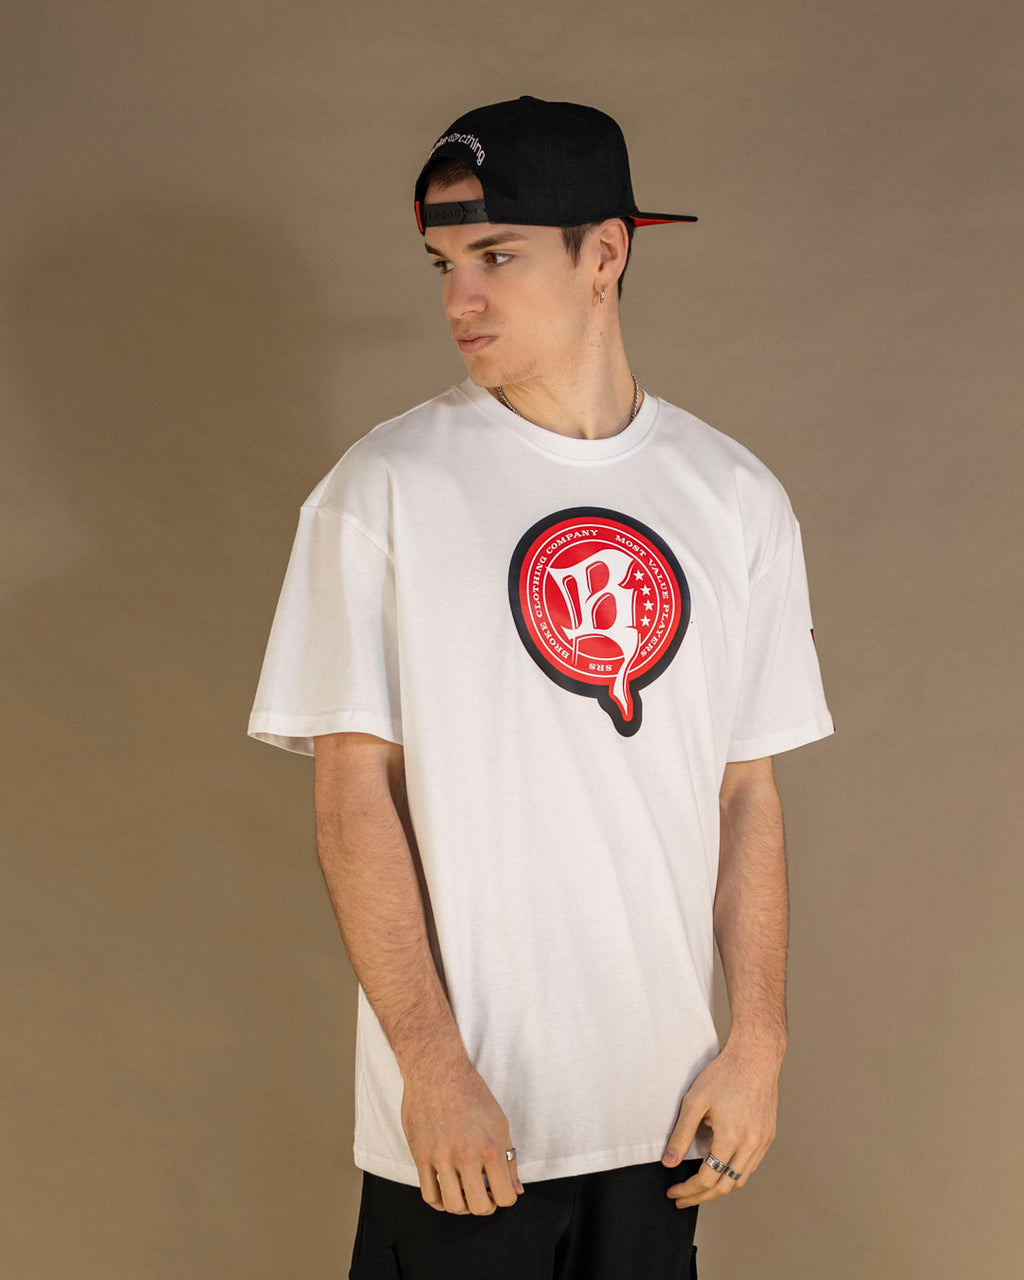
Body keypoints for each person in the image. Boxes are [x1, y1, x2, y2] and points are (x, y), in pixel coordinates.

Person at [247, 94, 835, 1280]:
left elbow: (745, 791)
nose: (458, 298)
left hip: (663, 1122)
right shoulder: (384, 490)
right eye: (444, 263)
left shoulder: (734, 497)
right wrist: (429, 1064)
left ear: (604, 253)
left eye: (497, 256)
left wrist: (758, 1040)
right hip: (471, 1130)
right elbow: (354, 799)